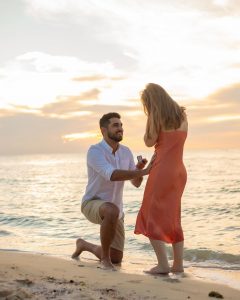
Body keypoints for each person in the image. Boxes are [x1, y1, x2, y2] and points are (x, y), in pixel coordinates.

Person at [72, 112, 153, 269]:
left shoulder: (126, 152)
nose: (120, 128)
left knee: (117, 257)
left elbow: (136, 183)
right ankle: (105, 261)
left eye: (121, 125)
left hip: (116, 211)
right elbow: (112, 175)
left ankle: (83, 245)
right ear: (103, 130)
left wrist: (138, 170)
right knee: (111, 210)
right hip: (92, 203)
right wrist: (144, 171)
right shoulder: (95, 151)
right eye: (115, 125)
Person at [134, 83, 188, 274]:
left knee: (150, 215)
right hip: (179, 172)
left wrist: (150, 120)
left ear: (151, 102)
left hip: (162, 171)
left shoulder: (155, 116)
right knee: (174, 217)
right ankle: (178, 265)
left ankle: (163, 265)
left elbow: (149, 142)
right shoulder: (181, 115)